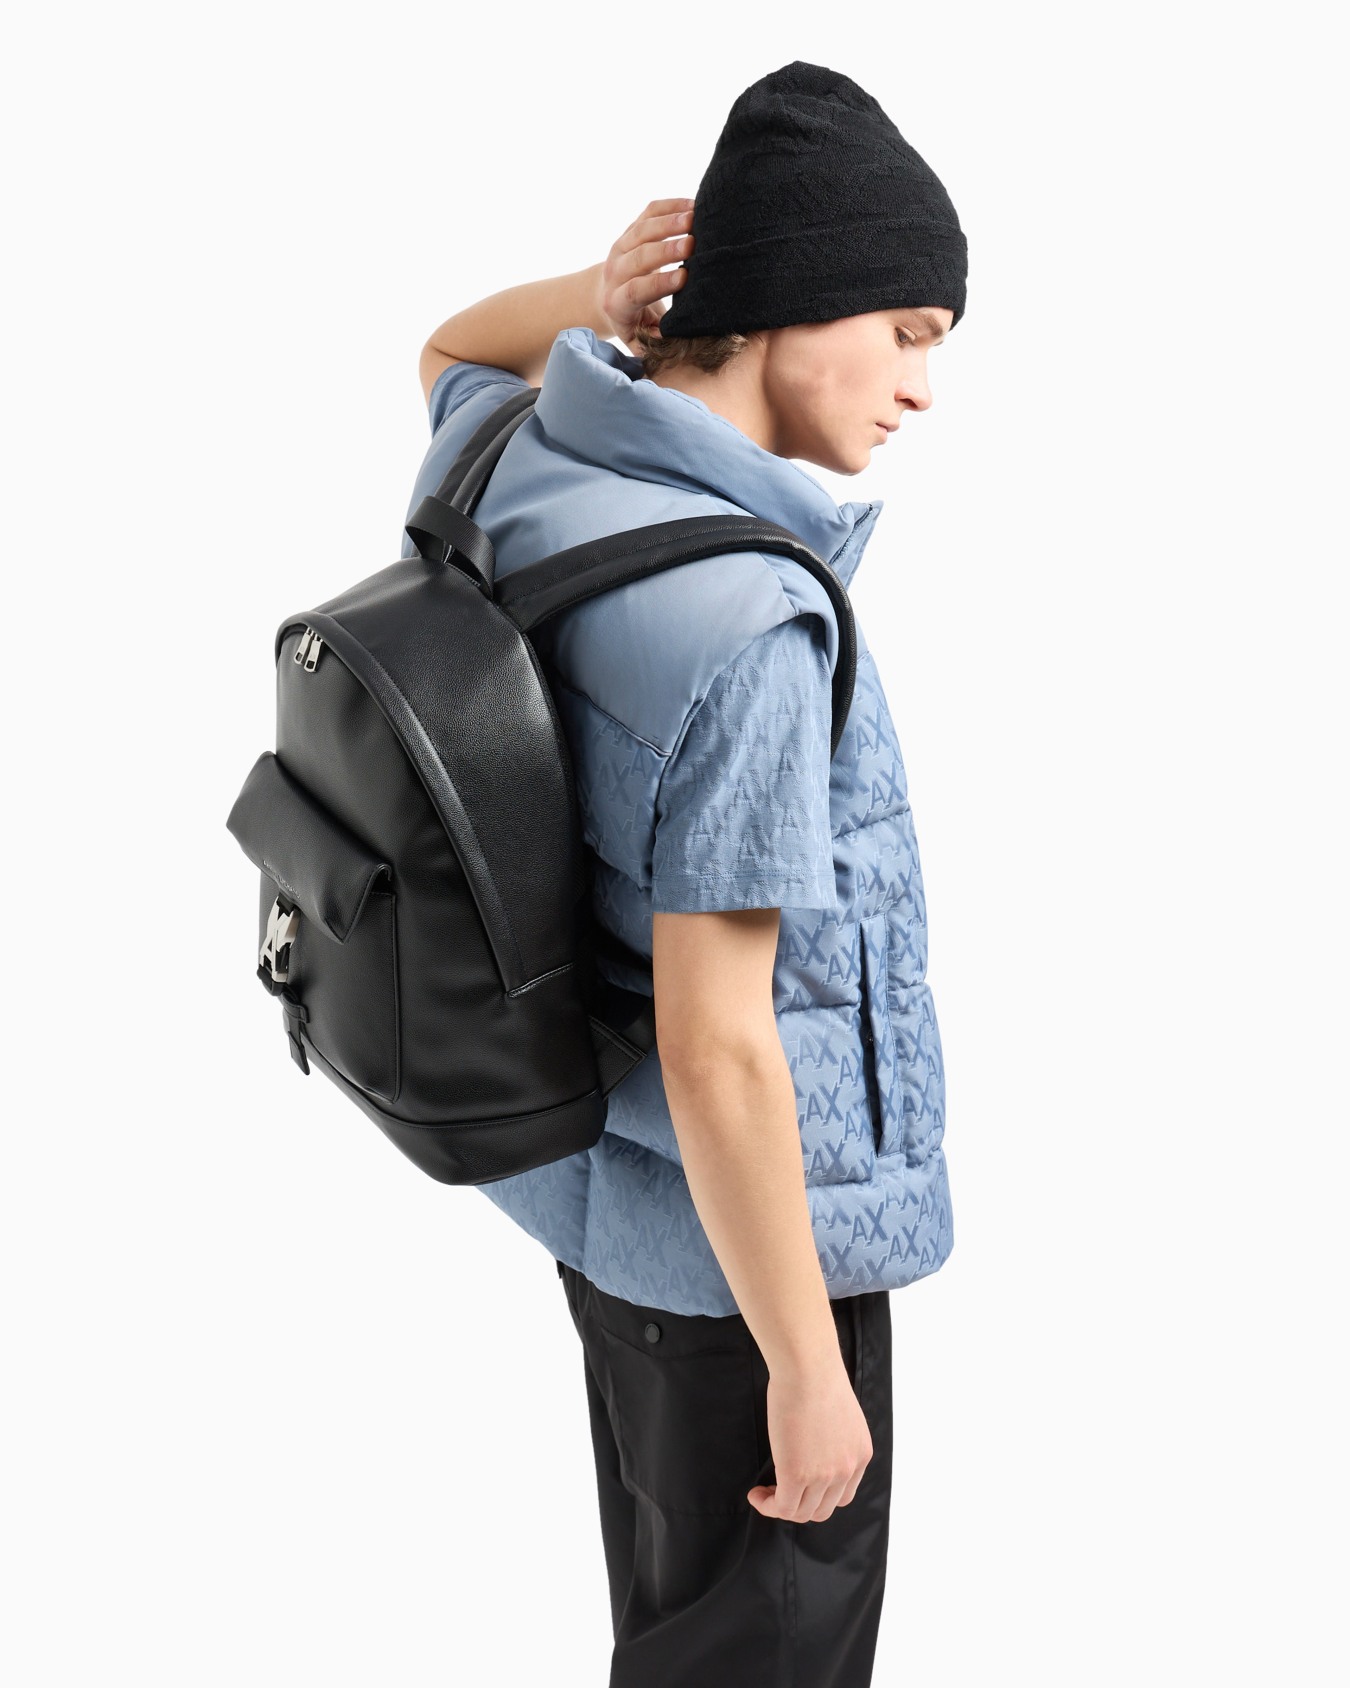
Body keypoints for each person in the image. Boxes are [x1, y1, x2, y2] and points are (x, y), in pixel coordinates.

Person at [401, 59, 965, 1688]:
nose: (922, 390)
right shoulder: (747, 624)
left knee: (677, 1638)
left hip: (609, 1208)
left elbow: (447, 351)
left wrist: (589, 301)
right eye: (906, 332)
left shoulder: (516, 458)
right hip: (751, 1267)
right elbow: (720, 1043)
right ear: (789, 301)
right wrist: (806, 1364)